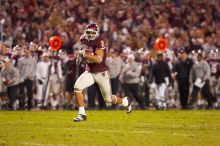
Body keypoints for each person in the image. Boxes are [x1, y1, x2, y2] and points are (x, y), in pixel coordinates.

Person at [73, 23, 132, 122]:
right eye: (88, 33)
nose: (90, 35)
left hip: (101, 73)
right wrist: (80, 56)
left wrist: (85, 54)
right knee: (77, 87)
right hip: (90, 72)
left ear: (97, 33)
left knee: (108, 99)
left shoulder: (100, 41)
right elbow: (84, 51)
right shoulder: (83, 38)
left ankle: (124, 101)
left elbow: (99, 59)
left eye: (92, 33)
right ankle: (82, 114)